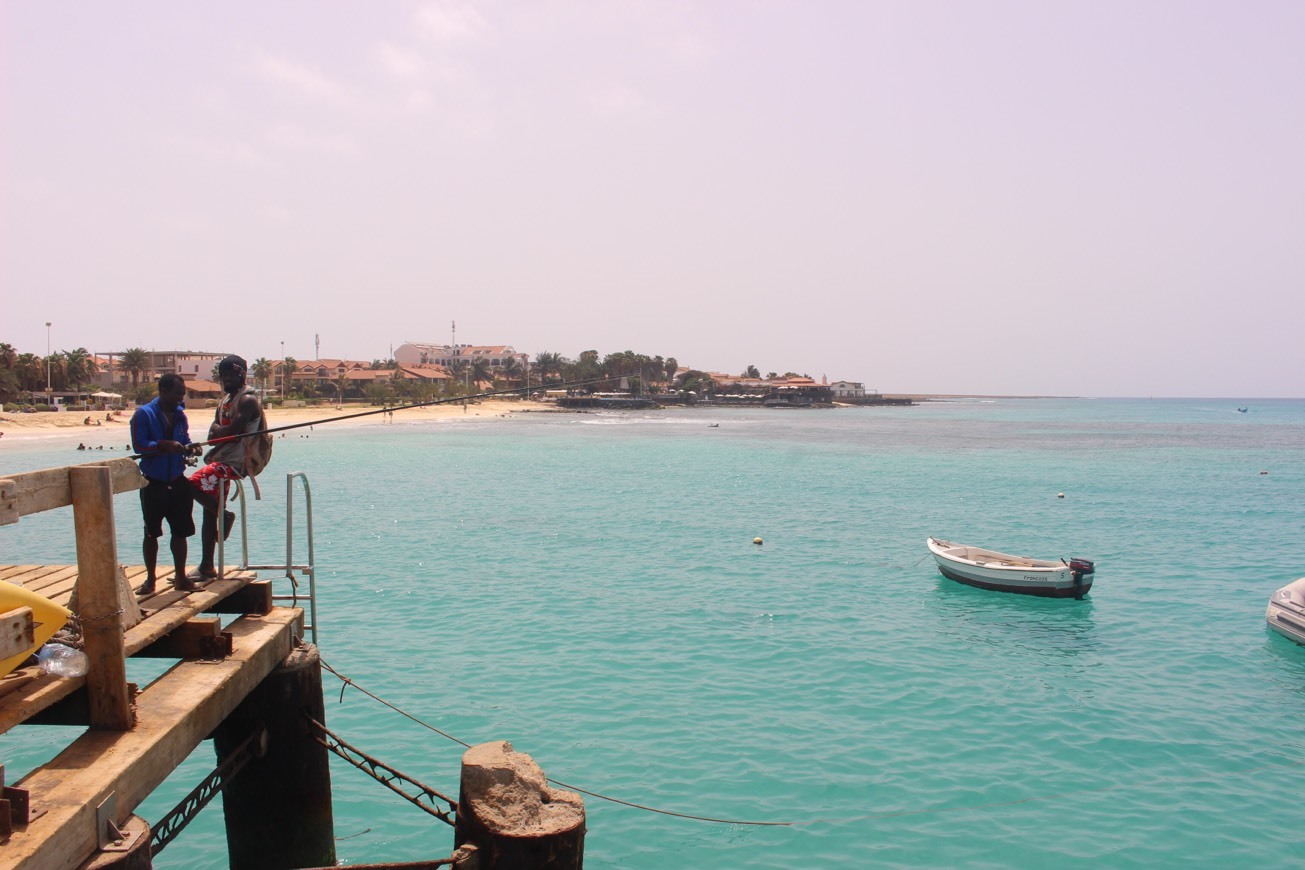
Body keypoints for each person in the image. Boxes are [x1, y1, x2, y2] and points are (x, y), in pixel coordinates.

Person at [188, 355, 265, 579]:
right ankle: (206, 566)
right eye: (222, 377)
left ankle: (224, 514)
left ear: (240, 374)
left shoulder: (248, 399)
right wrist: (219, 432)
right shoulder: (225, 400)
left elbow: (230, 431)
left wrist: (219, 431)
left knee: (191, 483)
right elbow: (215, 436)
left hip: (237, 462)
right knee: (207, 509)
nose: (225, 380)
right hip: (221, 459)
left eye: (229, 376)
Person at [130, 374, 197, 594]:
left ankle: (181, 578)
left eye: (183, 393)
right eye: (178, 393)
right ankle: (150, 580)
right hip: (153, 482)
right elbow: (140, 445)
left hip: (177, 479)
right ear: (164, 391)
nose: (181, 397)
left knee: (180, 532)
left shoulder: (180, 415)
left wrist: (190, 448)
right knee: (152, 533)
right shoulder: (143, 414)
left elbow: (185, 440)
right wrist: (162, 445)